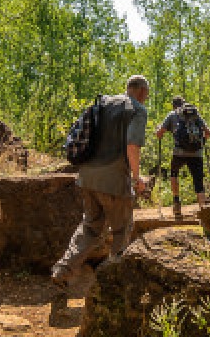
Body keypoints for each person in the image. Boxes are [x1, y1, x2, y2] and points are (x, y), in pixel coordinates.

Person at [52, 75, 150, 287]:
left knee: (90, 227)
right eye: (147, 95)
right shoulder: (138, 110)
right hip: (114, 181)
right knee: (122, 230)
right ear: (142, 92)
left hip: (87, 176)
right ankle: (113, 284)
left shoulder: (104, 102)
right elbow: (132, 145)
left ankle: (62, 269)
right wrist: (137, 178)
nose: (147, 99)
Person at [155, 95, 210, 216]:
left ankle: (176, 202)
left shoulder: (172, 114)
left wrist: (158, 131)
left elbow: (160, 133)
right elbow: (208, 132)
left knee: (174, 174)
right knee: (198, 182)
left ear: (173, 105)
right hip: (197, 153)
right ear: (184, 103)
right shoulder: (195, 115)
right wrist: (202, 143)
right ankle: (205, 212)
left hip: (179, 153)